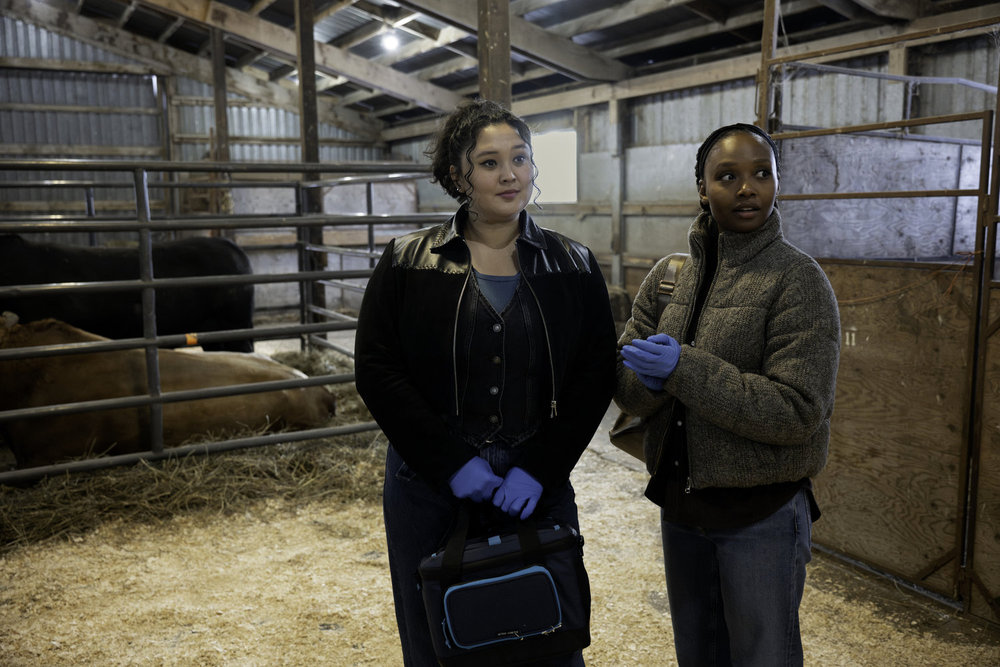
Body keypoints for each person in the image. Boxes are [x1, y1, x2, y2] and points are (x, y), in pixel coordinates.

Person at [354, 98, 617, 667]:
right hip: (428, 486)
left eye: (520, 158)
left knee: (547, 632)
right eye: (490, 162)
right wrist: (449, 463)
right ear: (458, 175)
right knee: (437, 635)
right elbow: (376, 368)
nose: (510, 175)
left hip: (535, 483)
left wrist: (541, 467)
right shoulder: (408, 262)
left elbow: (595, 373)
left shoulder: (572, 264)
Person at [614, 122, 841, 666]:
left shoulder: (797, 280)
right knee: (699, 654)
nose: (747, 188)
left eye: (762, 173)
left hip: (759, 513)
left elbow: (797, 411)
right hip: (682, 505)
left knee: (764, 656)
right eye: (727, 176)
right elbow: (624, 388)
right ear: (702, 187)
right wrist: (645, 382)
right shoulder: (669, 278)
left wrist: (682, 369)